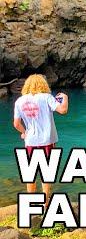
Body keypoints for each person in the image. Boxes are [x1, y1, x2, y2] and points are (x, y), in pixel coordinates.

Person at [12, 74, 68, 207]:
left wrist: (24, 132)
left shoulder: (19, 101)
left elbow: (16, 124)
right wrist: (65, 98)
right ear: (43, 84)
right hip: (47, 140)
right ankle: (45, 202)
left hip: (30, 141)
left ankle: (31, 202)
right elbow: (63, 110)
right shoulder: (46, 97)